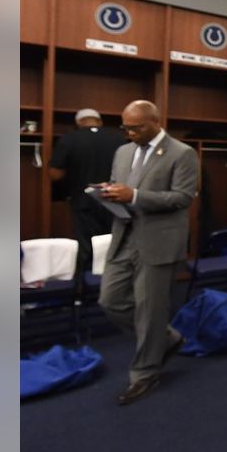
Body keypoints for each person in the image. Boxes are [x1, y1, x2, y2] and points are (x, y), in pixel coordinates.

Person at [97, 100, 198, 406]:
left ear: (155, 122)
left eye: (136, 127)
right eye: (125, 127)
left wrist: (135, 195)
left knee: (150, 309)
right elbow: (123, 187)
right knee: (110, 300)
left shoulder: (182, 153)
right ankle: (166, 339)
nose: (129, 133)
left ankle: (145, 373)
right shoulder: (123, 151)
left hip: (159, 241)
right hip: (124, 236)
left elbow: (182, 198)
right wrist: (110, 192)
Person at [47, 108, 125, 273]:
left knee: (86, 249)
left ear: (78, 123)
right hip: (115, 201)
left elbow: (55, 174)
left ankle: (83, 291)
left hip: (83, 202)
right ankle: (112, 288)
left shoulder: (69, 139)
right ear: (99, 121)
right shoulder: (119, 139)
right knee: (113, 246)